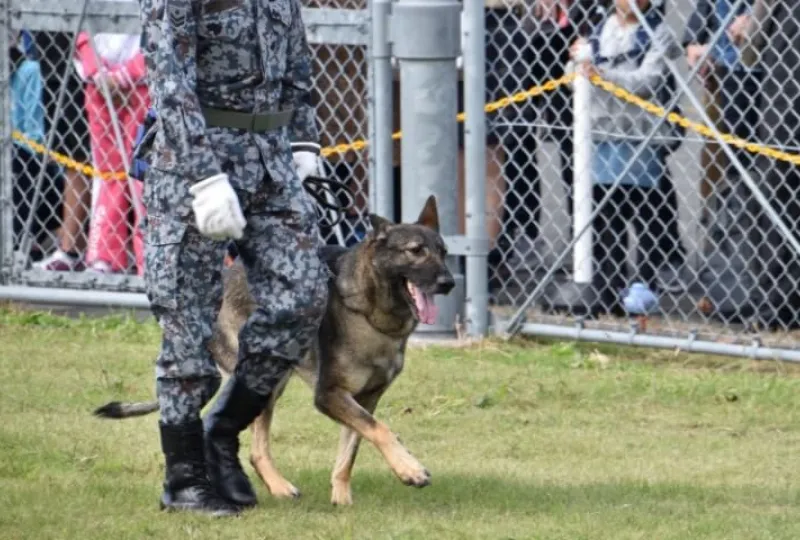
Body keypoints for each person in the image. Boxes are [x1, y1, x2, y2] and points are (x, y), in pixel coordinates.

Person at [138, 0, 329, 517]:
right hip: (196, 168)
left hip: (270, 162)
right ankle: (184, 480)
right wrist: (202, 175)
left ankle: (221, 432)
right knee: (187, 323)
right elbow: (169, 82)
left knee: (304, 296)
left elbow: (296, 69)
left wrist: (304, 145)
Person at [566, 0, 685, 314]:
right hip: (601, 134)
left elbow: (647, 81)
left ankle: (645, 284)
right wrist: (577, 62)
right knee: (606, 219)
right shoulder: (596, 29)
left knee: (645, 215)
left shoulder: (657, 34)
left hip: (639, 136)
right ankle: (607, 288)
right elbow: (573, 76)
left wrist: (602, 75)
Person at [73, 24, 150, 275]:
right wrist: (99, 74)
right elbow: (79, 31)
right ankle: (104, 253)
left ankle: (148, 255)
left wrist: (126, 75)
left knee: (144, 173)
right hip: (98, 84)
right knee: (107, 171)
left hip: (144, 84)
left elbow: (165, 33)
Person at [29, 30, 93, 272]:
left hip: (86, 60)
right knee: (68, 155)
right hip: (52, 57)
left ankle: (72, 248)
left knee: (80, 155)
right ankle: (71, 243)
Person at [9, 30, 64, 255]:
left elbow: (34, 136)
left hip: (33, 164)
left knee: (15, 155)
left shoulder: (28, 70)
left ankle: (20, 240)